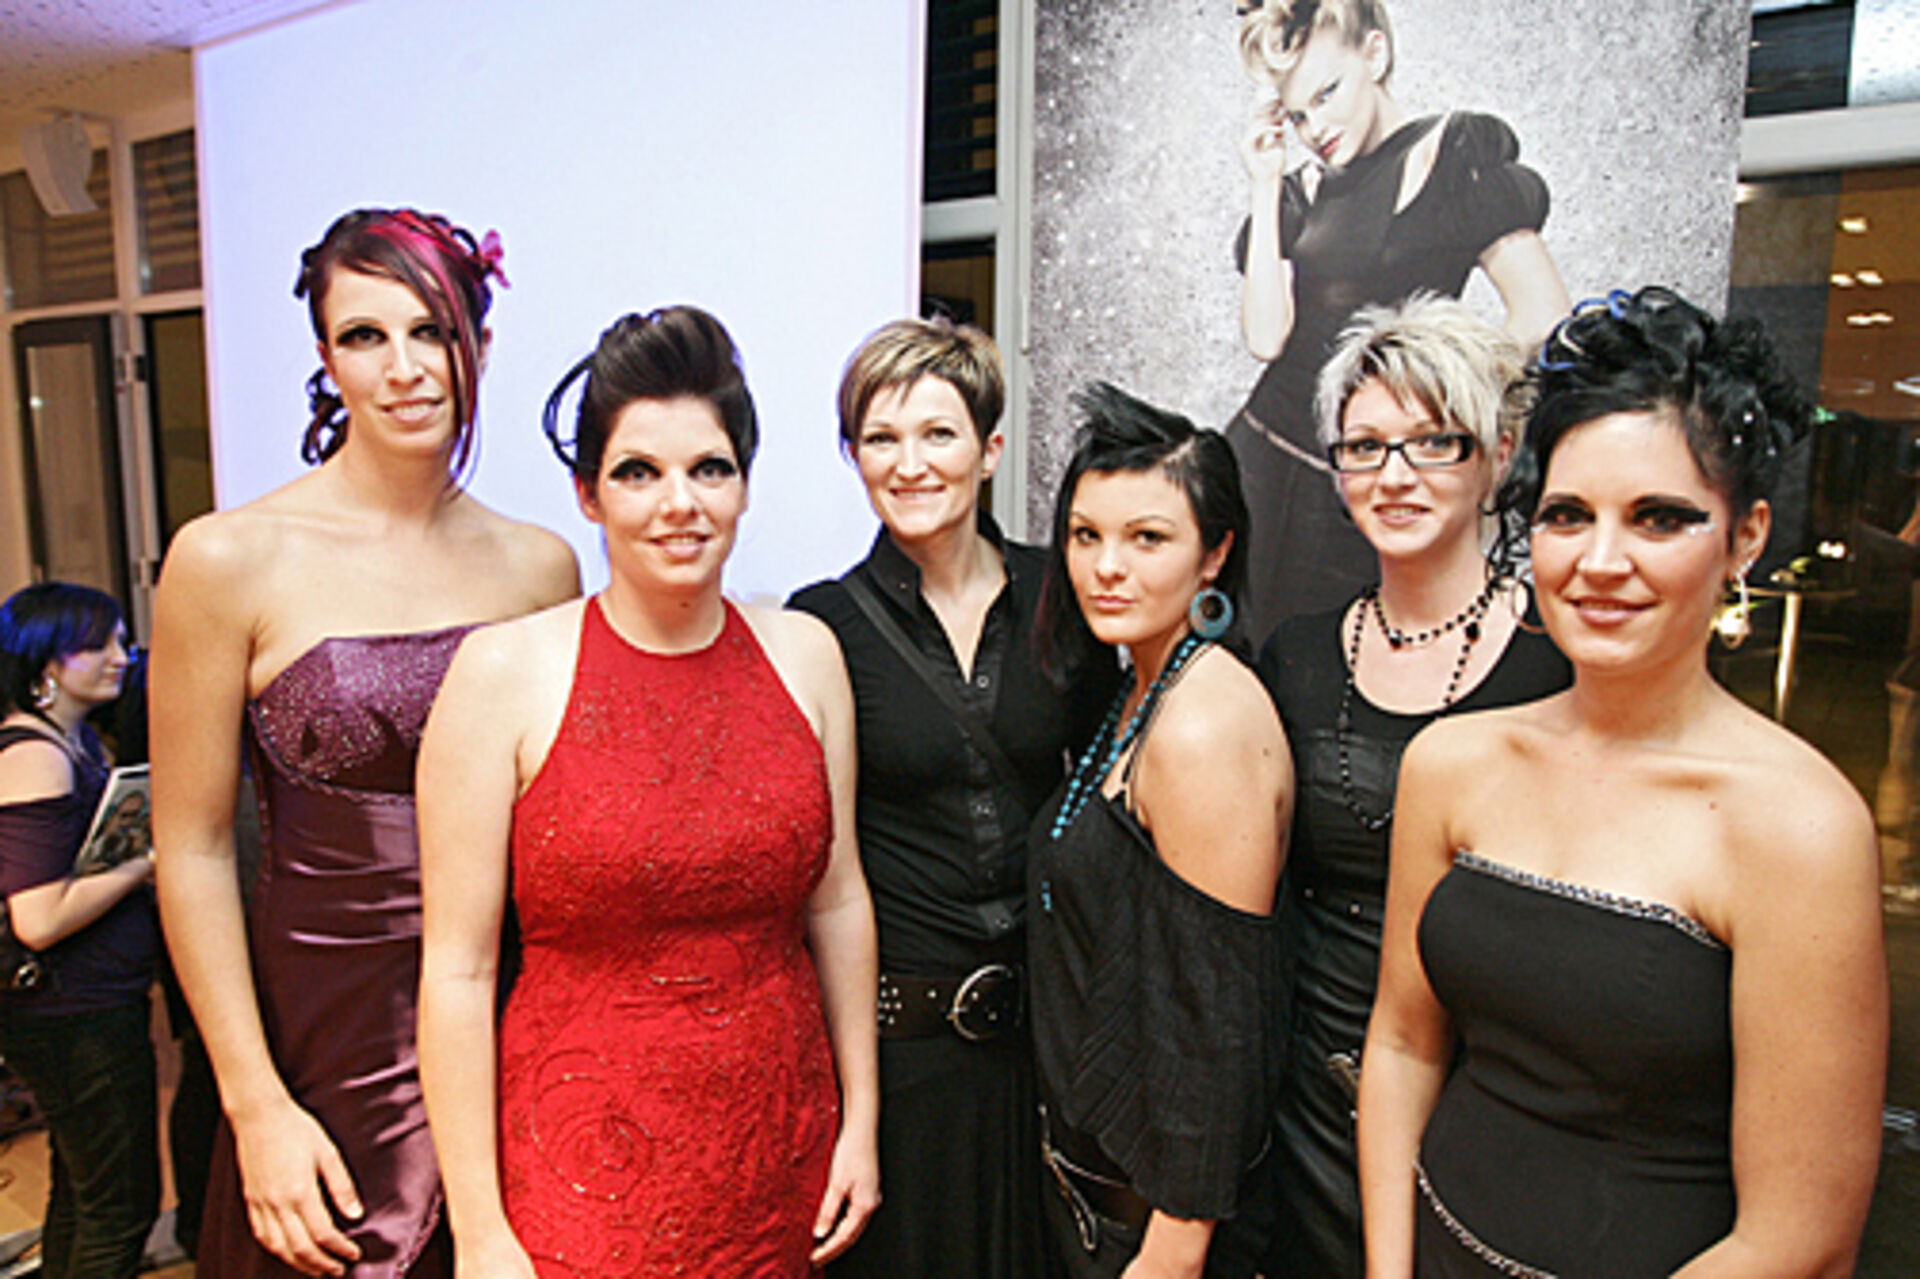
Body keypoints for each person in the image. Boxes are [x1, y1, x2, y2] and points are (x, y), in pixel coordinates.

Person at [1358, 287, 1888, 1276]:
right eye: (1567, 515)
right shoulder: (1452, 762)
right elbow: (1402, 1044)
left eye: (1659, 518)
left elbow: (1802, 1237)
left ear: (1745, 535)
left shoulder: (1799, 825)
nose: (1601, 562)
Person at [151, 208, 580, 1279]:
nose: (404, 368)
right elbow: (193, 848)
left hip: (507, 1018)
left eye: (431, 331)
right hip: (318, 1038)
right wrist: (254, 1101)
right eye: (365, 336)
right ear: (326, 356)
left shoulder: (541, 568)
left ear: (479, 342)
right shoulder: (227, 559)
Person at [416, 306, 881, 1278]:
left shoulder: (807, 656)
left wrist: (860, 1123)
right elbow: (457, 970)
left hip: (780, 1154)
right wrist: (479, 1228)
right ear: (587, 494)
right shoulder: (502, 674)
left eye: (710, 468)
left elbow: (839, 902)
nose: (680, 503)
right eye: (638, 472)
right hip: (580, 1169)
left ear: (744, 484)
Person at [1246, 295, 1569, 1278]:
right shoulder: (1296, 656)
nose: (1393, 475)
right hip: (1305, 1099)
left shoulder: (1559, 661)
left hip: (1491, 1100)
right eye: (1364, 447)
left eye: (1434, 442)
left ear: (1499, 454)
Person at [790, 317, 1118, 1278]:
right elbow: (821, 868)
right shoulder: (822, 625)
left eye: (938, 433)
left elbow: (1108, 797)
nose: (909, 464)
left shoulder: (1064, 593)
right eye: (880, 438)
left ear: (991, 449)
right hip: (899, 1057)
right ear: (853, 456)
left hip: (1047, 1046)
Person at [1029, 383, 1291, 1278]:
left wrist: (1174, 1249)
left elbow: (1216, 1019)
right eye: (1085, 535)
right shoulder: (1141, 687)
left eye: (1147, 538)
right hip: (1097, 1197)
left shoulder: (1202, 722)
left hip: (1160, 1230)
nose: (1107, 566)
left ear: (1214, 553)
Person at [1230, 0, 1570, 637]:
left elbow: (1544, 314)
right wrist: (1264, 181)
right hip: (1256, 464)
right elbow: (1265, 337)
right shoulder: (1301, 191)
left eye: (1327, 94)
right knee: (1232, 659)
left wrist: (1439, 411)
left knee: (1344, 662)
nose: (1314, 128)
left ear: (1375, 54)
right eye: (1297, 114)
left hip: (1363, 487)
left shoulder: (1453, 154)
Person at [0, 583, 158, 1279]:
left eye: (119, 641)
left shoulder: (74, 740)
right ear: (44, 663)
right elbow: (39, 917)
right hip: (69, 1013)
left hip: (85, 1005)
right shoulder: (34, 755)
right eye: (97, 645)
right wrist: (145, 863)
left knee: (83, 1192)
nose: (119, 657)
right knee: (118, 1210)